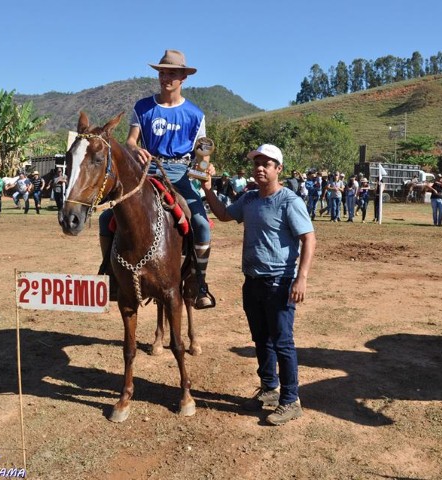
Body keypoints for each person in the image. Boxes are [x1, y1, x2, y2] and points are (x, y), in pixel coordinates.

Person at [200, 144, 315, 425]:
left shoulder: (289, 201)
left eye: (267, 164)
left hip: (279, 282)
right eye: (257, 163)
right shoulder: (250, 199)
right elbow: (225, 215)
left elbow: (308, 238)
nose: (260, 168)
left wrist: (301, 278)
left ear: (279, 169)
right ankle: (269, 389)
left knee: (283, 342)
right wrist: (206, 188)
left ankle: (291, 400)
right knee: (261, 340)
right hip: (252, 281)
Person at [98, 49, 215, 309]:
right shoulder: (143, 106)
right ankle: (110, 275)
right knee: (107, 218)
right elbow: (130, 140)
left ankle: (199, 282)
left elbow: (202, 152)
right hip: (146, 172)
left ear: (183, 77)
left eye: (172, 73)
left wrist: (205, 168)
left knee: (201, 224)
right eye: (163, 72)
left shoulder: (195, 114)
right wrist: (134, 147)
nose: (166, 77)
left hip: (180, 175)